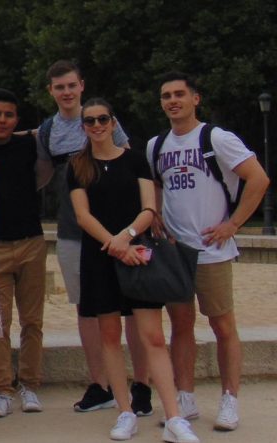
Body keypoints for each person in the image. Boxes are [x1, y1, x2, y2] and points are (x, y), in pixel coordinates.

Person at [66, 99, 199, 443]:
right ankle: (124, 411)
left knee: (152, 336)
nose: (97, 125)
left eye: (103, 119)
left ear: (113, 123)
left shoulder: (135, 159)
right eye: (90, 121)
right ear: (83, 127)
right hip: (101, 256)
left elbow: (149, 208)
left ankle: (174, 417)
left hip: (137, 252)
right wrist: (114, 245)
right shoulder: (78, 165)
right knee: (110, 336)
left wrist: (125, 239)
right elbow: (82, 215)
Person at [150, 72, 268, 432]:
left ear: (195, 98)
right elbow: (158, 186)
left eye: (179, 94)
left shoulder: (216, 138)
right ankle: (184, 397)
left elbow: (258, 178)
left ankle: (229, 398)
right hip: (177, 251)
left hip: (212, 249)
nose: (173, 101)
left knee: (222, 324)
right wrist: (156, 216)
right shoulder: (156, 145)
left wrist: (233, 224)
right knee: (180, 325)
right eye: (167, 96)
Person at [36, 61, 150, 415]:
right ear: (51, 91)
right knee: (86, 308)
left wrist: (141, 223)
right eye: (59, 87)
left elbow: (129, 167)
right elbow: (42, 174)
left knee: (134, 310)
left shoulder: (103, 119)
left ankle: (142, 384)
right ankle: (100, 384)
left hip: (122, 229)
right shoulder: (48, 130)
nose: (66, 92)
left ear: (81, 86)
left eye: (71, 85)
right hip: (75, 232)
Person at [0, 89, 52, 418]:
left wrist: (27, 133)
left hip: (31, 241)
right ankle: (2, 388)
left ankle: (30, 384)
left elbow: (46, 163)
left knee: (32, 320)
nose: (2, 120)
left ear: (16, 120)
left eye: (8, 115)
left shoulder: (28, 145)